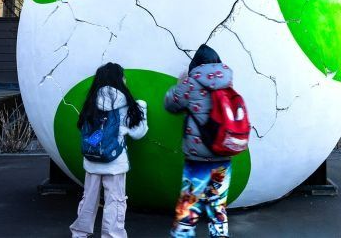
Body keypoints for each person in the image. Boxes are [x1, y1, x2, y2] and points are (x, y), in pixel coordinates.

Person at [70, 62, 148, 238]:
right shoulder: (127, 104)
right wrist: (132, 121)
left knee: (89, 198)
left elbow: (82, 127)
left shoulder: (91, 102)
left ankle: (80, 233)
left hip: (92, 159)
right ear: (119, 79)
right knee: (115, 201)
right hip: (115, 161)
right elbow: (139, 133)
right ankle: (113, 235)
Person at [165, 44, 234, 238]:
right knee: (218, 206)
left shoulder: (191, 83)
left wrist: (181, 83)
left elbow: (170, 103)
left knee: (189, 206)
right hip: (223, 155)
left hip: (198, 159)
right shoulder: (227, 82)